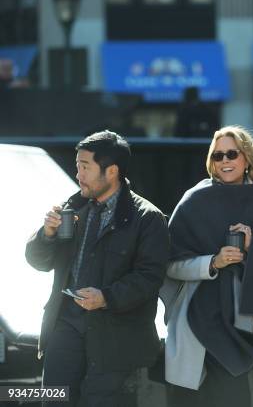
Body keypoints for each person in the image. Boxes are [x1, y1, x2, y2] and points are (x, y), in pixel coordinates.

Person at [25, 130, 170, 407]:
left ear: (112, 171)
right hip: (65, 327)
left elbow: (150, 278)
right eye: (77, 166)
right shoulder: (74, 206)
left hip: (115, 339)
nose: (78, 174)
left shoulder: (147, 218)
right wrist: (47, 234)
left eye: (85, 167)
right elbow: (38, 262)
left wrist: (106, 297)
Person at [161, 126, 253, 407]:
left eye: (231, 154)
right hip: (206, 310)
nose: (224, 161)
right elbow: (171, 265)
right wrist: (213, 262)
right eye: (218, 155)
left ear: (247, 158)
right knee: (228, 386)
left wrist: (251, 249)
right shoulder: (194, 201)